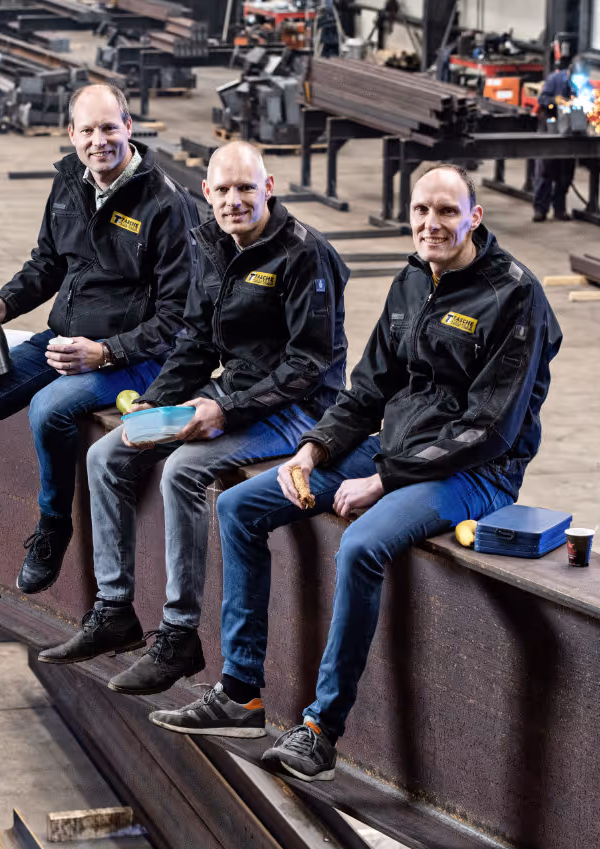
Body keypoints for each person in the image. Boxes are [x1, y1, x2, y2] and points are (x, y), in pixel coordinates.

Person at [149, 163, 562, 783]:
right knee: (238, 508)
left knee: (363, 545)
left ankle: (320, 731)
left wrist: (384, 480)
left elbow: (489, 428)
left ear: (475, 217)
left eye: (447, 212)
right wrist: (312, 450)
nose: (431, 223)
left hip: (477, 472)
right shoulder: (412, 279)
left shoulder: (515, 294)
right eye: (421, 210)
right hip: (396, 450)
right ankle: (240, 694)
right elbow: (368, 390)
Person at [37, 142, 350, 696]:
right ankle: (114, 610)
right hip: (233, 390)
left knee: (183, 470)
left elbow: (308, 366)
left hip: (297, 408)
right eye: (222, 190)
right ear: (207, 192)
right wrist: (154, 402)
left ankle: (179, 635)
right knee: (108, 453)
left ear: (268, 187)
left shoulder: (305, 254)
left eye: (246, 188)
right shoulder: (211, 243)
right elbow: (196, 342)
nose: (234, 201)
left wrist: (224, 410)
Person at [0, 84, 198, 609]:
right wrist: (4, 303)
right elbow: (48, 263)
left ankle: (53, 525)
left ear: (129, 127)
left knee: (49, 408)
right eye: (88, 130)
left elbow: (178, 319)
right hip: (61, 341)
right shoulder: (68, 182)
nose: (99, 140)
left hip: (133, 357)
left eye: (109, 128)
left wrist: (104, 353)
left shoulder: (167, 205)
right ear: (71, 134)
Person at [533, 55, 575, 222]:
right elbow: (542, 99)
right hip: (550, 126)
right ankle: (540, 209)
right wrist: (555, 101)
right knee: (546, 171)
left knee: (565, 173)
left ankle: (559, 209)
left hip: (569, 131)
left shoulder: (582, 83)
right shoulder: (554, 79)